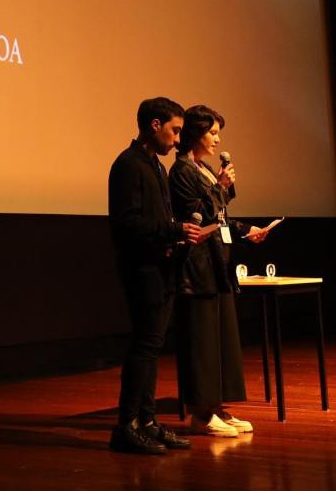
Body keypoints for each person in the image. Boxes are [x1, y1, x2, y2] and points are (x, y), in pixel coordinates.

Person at [108, 97, 203, 454]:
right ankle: (126, 426)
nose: (178, 140)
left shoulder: (156, 167)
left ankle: (146, 421)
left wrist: (178, 233)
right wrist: (175, 229)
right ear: (154, 125)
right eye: (174, 131)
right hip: (142, 268)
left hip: (161, 267)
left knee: (152, 347)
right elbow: (127, 223)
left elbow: (156, 221)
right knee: (144, 346)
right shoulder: (128, 165)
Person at [169, 104, 267, 437]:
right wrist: (221, 188)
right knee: (202, 340)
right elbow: (196, 215)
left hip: (218, 264)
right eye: (212, 133)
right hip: (196, 267)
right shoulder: (181, 171)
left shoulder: (206, 168)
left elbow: (220, 218)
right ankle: (201, 413)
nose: (217, 139)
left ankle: (218, 407)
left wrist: (247, 230)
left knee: (221, 340)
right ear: (196, 133)